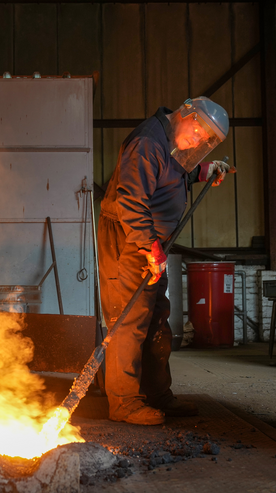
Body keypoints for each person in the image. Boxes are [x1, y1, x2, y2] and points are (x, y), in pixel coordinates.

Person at [98, 96, 232, 425]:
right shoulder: (147, 142)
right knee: (128, 320)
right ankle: (124, 402)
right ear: (185, 114)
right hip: (129, 241)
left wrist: (202, 171)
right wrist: (149, 247)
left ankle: (157, 394)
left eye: (206, 140)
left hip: (150, 242)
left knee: (157, 317)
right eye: (199, 131)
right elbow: (131, 200)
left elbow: (172, 177)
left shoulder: (171, 144)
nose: (199, 140)